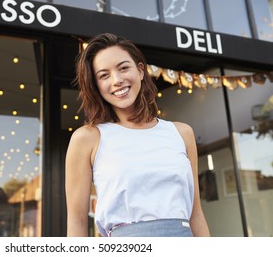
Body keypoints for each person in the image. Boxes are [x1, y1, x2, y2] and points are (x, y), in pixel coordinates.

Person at [65, 33, 210, 237]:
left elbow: (195, 214)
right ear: (96, 85)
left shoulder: (181, 133)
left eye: (124, 68)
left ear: (140, 71)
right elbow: (77, 223)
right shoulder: (88, 138)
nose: (117, 80)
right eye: (104, 75)